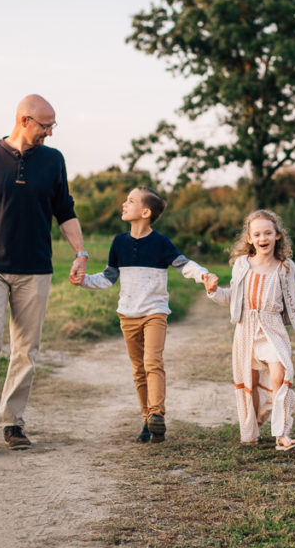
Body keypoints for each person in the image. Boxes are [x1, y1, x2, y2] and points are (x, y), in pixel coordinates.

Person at [0, 94, 88, 452]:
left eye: (52, 125)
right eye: (46, 125)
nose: (50, 133)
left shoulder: (53, 161)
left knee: (26, 349)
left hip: (36, 269)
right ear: (24, 120)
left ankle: (13, 423)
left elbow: (65, 210)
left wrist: (81, 252)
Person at [69, 187, 210, 443]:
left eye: (130, 201)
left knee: (152, 362)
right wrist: (84, 281)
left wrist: (203, 275)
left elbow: (184, 264)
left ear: (145, 212)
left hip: (155, 313)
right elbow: (109, 277)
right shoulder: (119, 242)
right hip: (127, 315)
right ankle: (147, 421)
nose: (124, 204)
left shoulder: (161, 242)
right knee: (138, 369)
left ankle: (157, 414)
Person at [203, 210, 295, 451]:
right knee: (251, 380)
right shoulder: (241, 265)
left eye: (268, 232)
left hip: (272, 328)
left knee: (281, 371)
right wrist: (213, 290)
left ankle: (281, 433)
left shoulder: (286, 267)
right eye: (257, 234)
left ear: (277, 236)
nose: (263, 238)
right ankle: (254, 427)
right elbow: (232, 297)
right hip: (246, 330)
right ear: (249, 238)